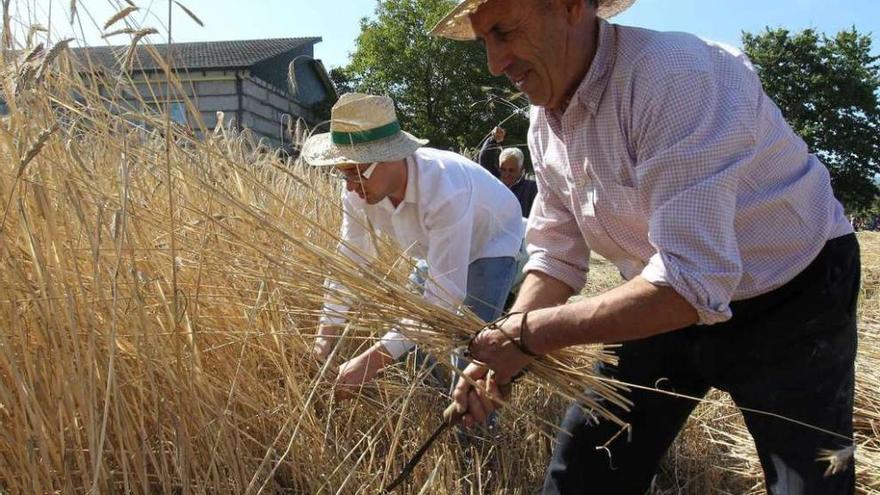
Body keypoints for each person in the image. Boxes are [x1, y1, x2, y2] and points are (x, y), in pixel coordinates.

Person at [430, 1, 860, 494]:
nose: (494, 62)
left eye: (504, 31)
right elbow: (556, 253)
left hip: (792, 292)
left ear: (572, 6)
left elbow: (692, 281)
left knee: (811, 481)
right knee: (584, 475)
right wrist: (506, 340)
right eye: (485, 40)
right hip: (657, 296)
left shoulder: (674, 77)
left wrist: (528, 336)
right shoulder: (545, 122)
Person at [303, 93, 524, 398]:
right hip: (436, 250)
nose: (350, 185)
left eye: (356, 171)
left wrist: (369, 363)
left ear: (392, 156)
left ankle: (474, 433)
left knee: (471, 348)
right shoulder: (357, 191)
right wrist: (325, 335)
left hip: (491, 242)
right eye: (342, 173)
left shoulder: (446, 189)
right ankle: (437, 402)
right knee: (412, 341)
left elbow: (444, 297)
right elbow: (351, 260)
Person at [498, 147, 538, 217]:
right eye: (503, 169)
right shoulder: (496, 188)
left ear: (521, 169)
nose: (507, 174)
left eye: (511, 170)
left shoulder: (532, 189)